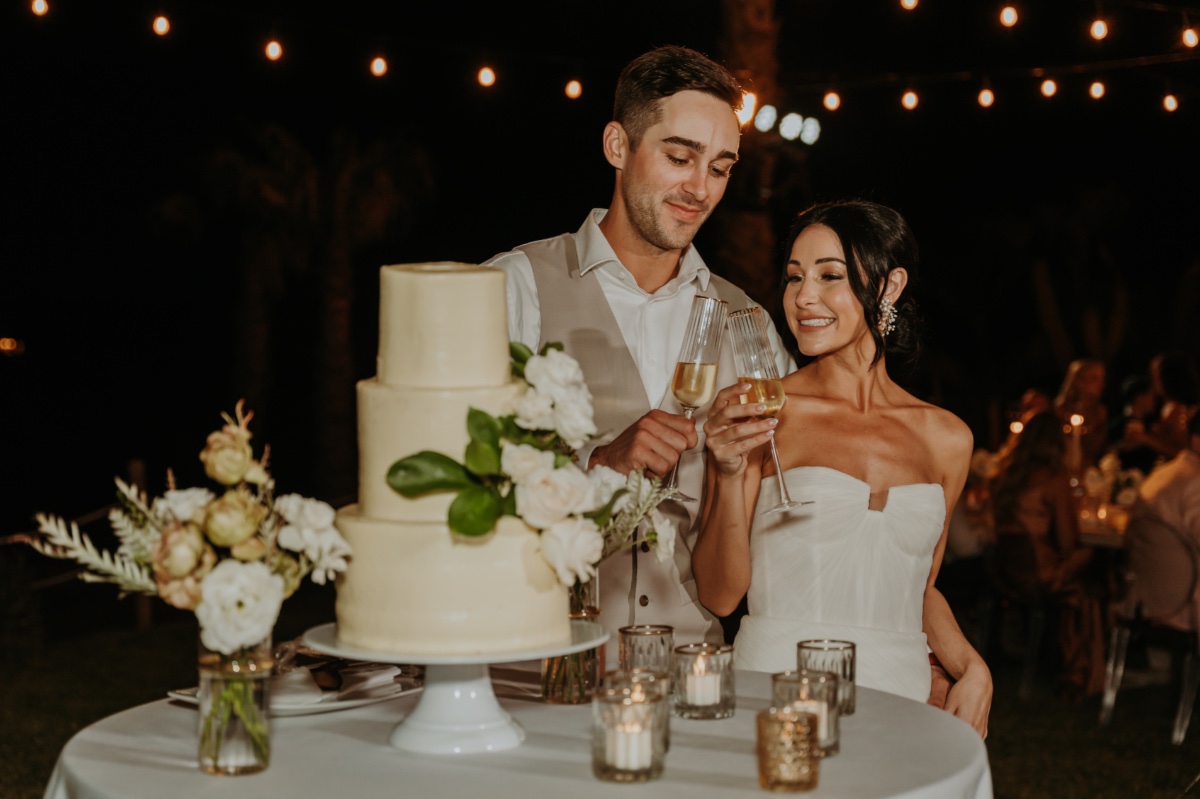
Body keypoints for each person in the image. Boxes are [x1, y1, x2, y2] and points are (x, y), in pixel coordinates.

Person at [486, 45, 792, 659]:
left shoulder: (747, 323)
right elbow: (456, 487)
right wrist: (596, 466)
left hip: (690, 674)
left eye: (721, 167)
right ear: (618, 147)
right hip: (537, 664)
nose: (700, 189)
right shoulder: (512, 286)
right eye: (680, 157)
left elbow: (792, 520)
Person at [692, 199, 991, 737]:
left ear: (888, 286)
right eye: (793, 277)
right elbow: (719, 595)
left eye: (830, 276)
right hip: (776, 690)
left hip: (900, 699)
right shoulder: (761, 412)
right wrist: (729, 471)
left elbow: (917, 586)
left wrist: (972, 666)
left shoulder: (947, 438)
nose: (804, 297)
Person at [989, 411, 1103, 701]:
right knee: (1092, 568)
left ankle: (1064, 655)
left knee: (1086, 570)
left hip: (1005, 573)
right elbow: (1068, 542)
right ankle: (1081, 670)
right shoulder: (1054, 480)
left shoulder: (1004, 475)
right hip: (1038, 576)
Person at [1053, 358, 1109, 469]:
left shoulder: (1100, 412)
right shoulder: (1061, 410)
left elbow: (1099, 448)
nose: (1101, 384)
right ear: (1078, 381)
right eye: (1094, 378)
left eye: (1102, 379)